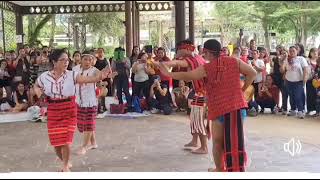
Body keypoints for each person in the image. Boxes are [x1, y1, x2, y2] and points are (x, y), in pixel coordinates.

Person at [158, 39, 257, 172]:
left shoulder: (206, 67)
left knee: (217, 142)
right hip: (236, 107)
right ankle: (228, 168)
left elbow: (187, 76)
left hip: (219, 108)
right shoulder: (234, 61)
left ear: (208, 52)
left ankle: (220, 169)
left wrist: (168, 73)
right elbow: (253, 73)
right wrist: (243, 89)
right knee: (232, 141)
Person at [33, 49, 111, 172]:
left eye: (67, 60)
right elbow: (36, 85)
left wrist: (100, 76)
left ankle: (65, 166)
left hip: (69, 108)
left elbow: (89, 80)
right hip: (53, 110)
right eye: (62, 60)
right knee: (56, 143)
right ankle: (66, 161)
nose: (66, 62)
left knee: (65, 140)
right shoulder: (44, 76)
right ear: (54, 62)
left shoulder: (72, 74)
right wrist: (38, 92)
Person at [155, 39, 208, 154]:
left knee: (198, 120)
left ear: (186, 49)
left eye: (179, 49)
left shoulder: (192, 59)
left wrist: (163, 64)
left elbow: (177, 63)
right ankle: (195, 141)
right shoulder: (197, 58)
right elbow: (189, 77)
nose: (178, 51)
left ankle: (204, 147)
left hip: (202, 93)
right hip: (198, 92)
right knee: (194, 118)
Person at [73, 51, 106, 156]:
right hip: (78, 101)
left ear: (93, 61)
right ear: (81, 60)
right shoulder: (75, 69)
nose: (88, 62)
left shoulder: (94, 70)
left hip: (91, 101)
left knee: (88, 124)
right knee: (82, 126)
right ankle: (93, 143)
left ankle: (84, 146)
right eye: (85, 59)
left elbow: (100, 76)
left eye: (90, 59)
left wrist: (103, 75)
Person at [280, 46, 308, 119]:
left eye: (293, 51)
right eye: (290, 51)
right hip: (288, 81)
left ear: (297, 51)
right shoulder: (287, 60)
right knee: (291, 96)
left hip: (298, 81)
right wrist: (284, 60)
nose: (292, 52)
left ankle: (301, 111)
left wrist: (305, 78)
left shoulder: (301, 59)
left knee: (298, 96)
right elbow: (282, 70)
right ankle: (293, 110)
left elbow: (305, 68)